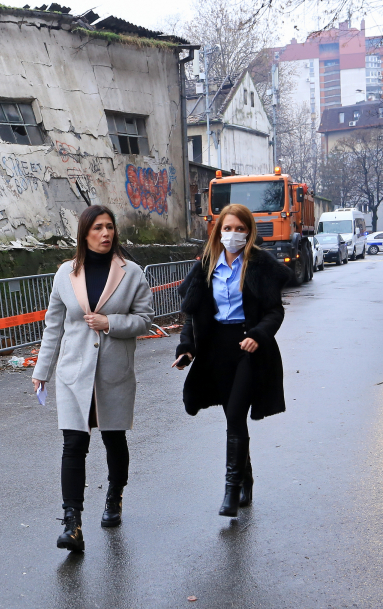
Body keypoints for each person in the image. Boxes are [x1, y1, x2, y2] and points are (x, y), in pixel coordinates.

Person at [32, 205, 154, 554]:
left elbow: (145, 320)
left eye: (109, 227)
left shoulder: (131, 272)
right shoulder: (65, 274)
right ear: (84, 234)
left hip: (114, 372)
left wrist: (110, 323)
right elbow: (54, 326)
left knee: (114, 439)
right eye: (98, 228)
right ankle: (72, 523)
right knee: (73, 444)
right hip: (75, 372)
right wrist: (41, 371)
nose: (105, 233)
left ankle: (114, 495)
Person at [173, 203, 290, 517]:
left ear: (249, 232)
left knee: (236, 414)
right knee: (233, 418)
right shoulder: (206, 266)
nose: (233, 234)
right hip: (216, 352)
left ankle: (230, 489)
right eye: (228, 228)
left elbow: (275, 311)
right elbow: (192, 315)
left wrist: (259, 335)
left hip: (249, 348)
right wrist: (186, 349)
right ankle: (245, 480)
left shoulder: (260, 264)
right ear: (218, 231)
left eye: (240, 229)